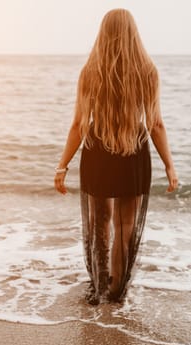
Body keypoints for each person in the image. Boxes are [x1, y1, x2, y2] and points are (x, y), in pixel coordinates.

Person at [54, 9, 178, 305]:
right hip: (133, 150)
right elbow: (155, 124)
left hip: (98, 151)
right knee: (125, 225)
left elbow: (78, 125)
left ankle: (99, 284)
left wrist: (62, 166)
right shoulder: (147, 71)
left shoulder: (90, 71)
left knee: (101, 221)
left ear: (103, 33)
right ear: (134, 34)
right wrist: (169, 165)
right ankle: (117, 290)